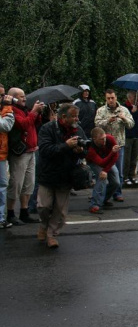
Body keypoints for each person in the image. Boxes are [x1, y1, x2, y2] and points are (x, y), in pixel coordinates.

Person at [36, 103, 87, 248]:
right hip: (48, 174)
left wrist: (80, 150)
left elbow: (85, 150)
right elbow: (45, 150)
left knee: (61, 210)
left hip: (66, 175)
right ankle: (44, 225)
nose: (77, 119)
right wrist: (66, 145)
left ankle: (51, 235)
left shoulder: (78, 130)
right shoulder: (48, 128)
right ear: (64, 117)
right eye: (74, 116)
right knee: (43, 206)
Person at [6, 87, 45, 226]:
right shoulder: (11, 111)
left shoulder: (25, 109)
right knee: (16, 183)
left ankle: (24, 211)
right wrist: (34, 111)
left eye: (24, 96)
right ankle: (10, 213)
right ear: (14, 98)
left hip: (31, 151)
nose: (24, 99)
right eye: (21, 96)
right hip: (20, 153)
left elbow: (34, 123)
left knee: (29, 184)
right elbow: (23, 124)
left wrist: (38, 113)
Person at [94, 89, 134, 202]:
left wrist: (124, 118)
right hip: (104, 147)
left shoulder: (123, 110)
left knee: (119, 172)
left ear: (116, 97)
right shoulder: (101, 110)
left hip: (118, 145)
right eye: (108, 98)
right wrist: (107, 121)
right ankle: (101, 193)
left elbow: (131, 124)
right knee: (104, 171)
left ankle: (118, 192)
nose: (110, 100)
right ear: (105, 99)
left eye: (112, 98)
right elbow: (96, 124)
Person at [85, 127, 121, 214]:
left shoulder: (110, 139)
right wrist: (104, 171)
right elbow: (101, 163)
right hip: (95, 162)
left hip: (108, 160)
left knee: (116, 182)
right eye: (101, 139)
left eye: (104, 138)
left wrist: (106, 170)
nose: (104, 141)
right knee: (102, 179)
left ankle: (103, 199)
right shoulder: (90, 149)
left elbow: (116, 156)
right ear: (94, 139)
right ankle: (95, 204)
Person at [0, 88, 15, 229]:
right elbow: (4, 125)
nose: (4, 97)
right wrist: (8, 106)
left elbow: (7, 125)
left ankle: (1, 218)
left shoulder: (3, 110)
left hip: (2, 154)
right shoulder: (6, 109)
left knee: (2, 186)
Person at [122, 91, 138, 186]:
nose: (135, 98)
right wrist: (132, 112)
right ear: (129, 98)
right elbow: (126, 120)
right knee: (127, 157)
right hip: (128, 135)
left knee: (134, 157)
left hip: (136, 135)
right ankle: (125, 176)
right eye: (134, 97)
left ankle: (132, 175)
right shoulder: (124, 107)